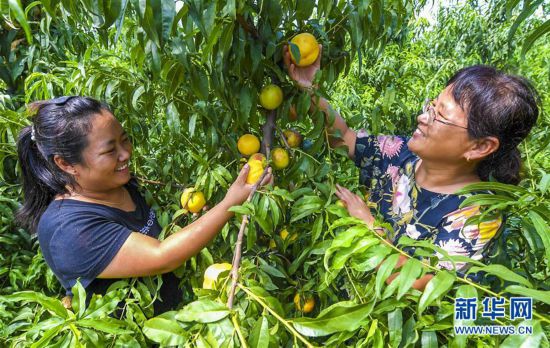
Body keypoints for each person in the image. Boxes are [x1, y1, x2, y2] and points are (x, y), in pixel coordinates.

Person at [284, 46, 539, 289]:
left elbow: (415, 284)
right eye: (431, 105)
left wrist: (368, 224)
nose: (422, 117)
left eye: (440, 116)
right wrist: (310, 90)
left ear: (480, 147)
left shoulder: (475, 217)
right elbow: (344, 139)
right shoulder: (400, 153)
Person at [16, 96, 272, 312]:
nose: (126, 154)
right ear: (65, 164)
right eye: (109, 151)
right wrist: (231, 202)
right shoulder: (68, 230)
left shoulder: (117, 183)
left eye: (124, 139)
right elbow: (161, 255)